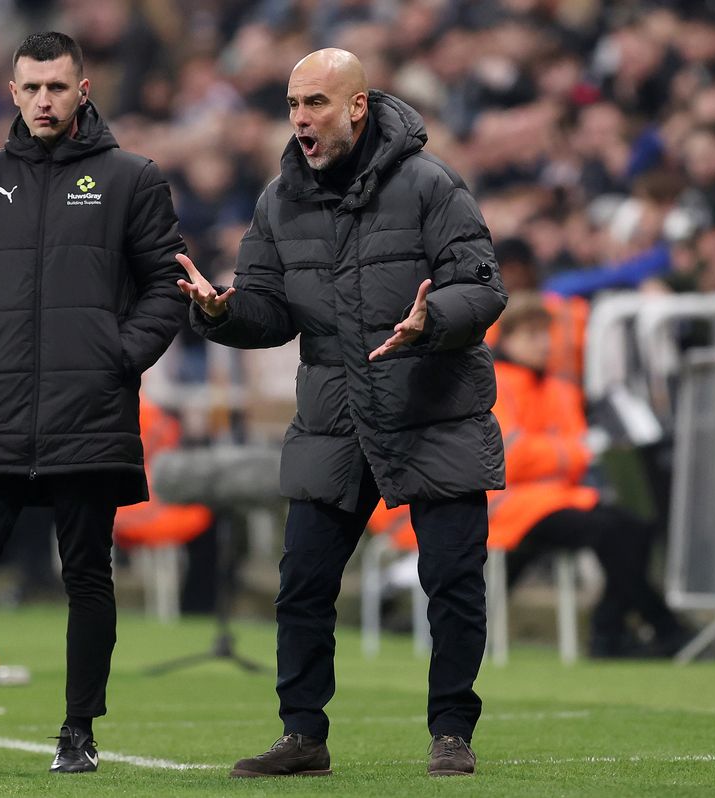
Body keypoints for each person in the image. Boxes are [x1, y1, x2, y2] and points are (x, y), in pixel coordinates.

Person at [179, 49, 507, 778]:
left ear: (357, 107)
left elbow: (483, 289)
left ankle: (452, 731)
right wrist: (222, 313)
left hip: (433, 404)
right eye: (294, 103)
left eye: (317, 102)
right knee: (302, 582)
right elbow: (267, 309)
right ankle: (303, 736)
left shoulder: (430, 183)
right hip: (335, 413)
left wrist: (434, 321)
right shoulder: (278, 200)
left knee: (452, 579)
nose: (300, 117)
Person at [0, 32, 186, 776]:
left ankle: (78, 732)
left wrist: (117, 358)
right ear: (13, 90)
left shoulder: (132, 178)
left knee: (86, 574)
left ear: (83, 89)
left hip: (87, 410)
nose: (44, 100)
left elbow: (166, 287)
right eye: (32, 88)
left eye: (58, 87)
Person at [490, 293, 688, 657]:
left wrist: (556, 454)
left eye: (544, 333)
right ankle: (642, 629)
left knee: (637, 528)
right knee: (614, 533)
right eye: (531, 334)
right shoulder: (494, 383)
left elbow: (574, 455)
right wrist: (565, 452)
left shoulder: (560, 388)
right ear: (508, 339)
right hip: (511, 506)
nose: (543, 343)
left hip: (560, 498)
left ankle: (615, 630)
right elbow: (510, 458)